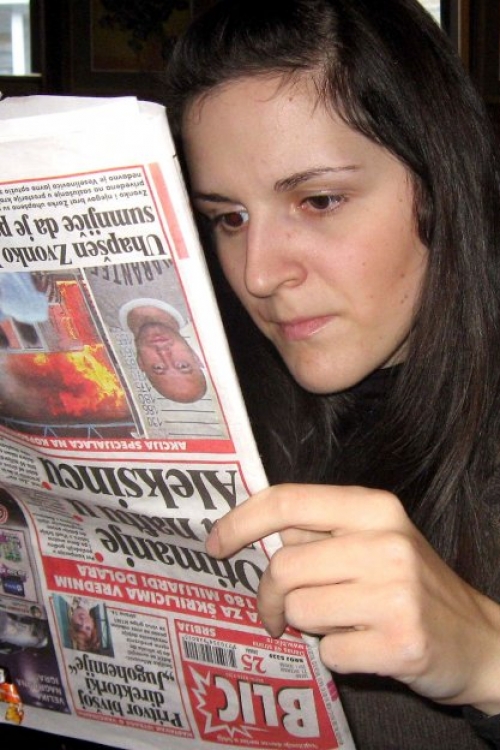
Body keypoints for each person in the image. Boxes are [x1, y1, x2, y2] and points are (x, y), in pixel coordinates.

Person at [163, 0, 500, 747]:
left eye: (318, 201)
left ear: (441, 186)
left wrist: (487, 662)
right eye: (229, 218)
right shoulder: (218, 395)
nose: (258, 275)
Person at [119, 297, 207, 403]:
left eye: (158, 367)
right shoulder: (196, 300)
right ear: (195, 356)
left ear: (140, 362)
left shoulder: (102, 315)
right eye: (183, 366)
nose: (163, 352)